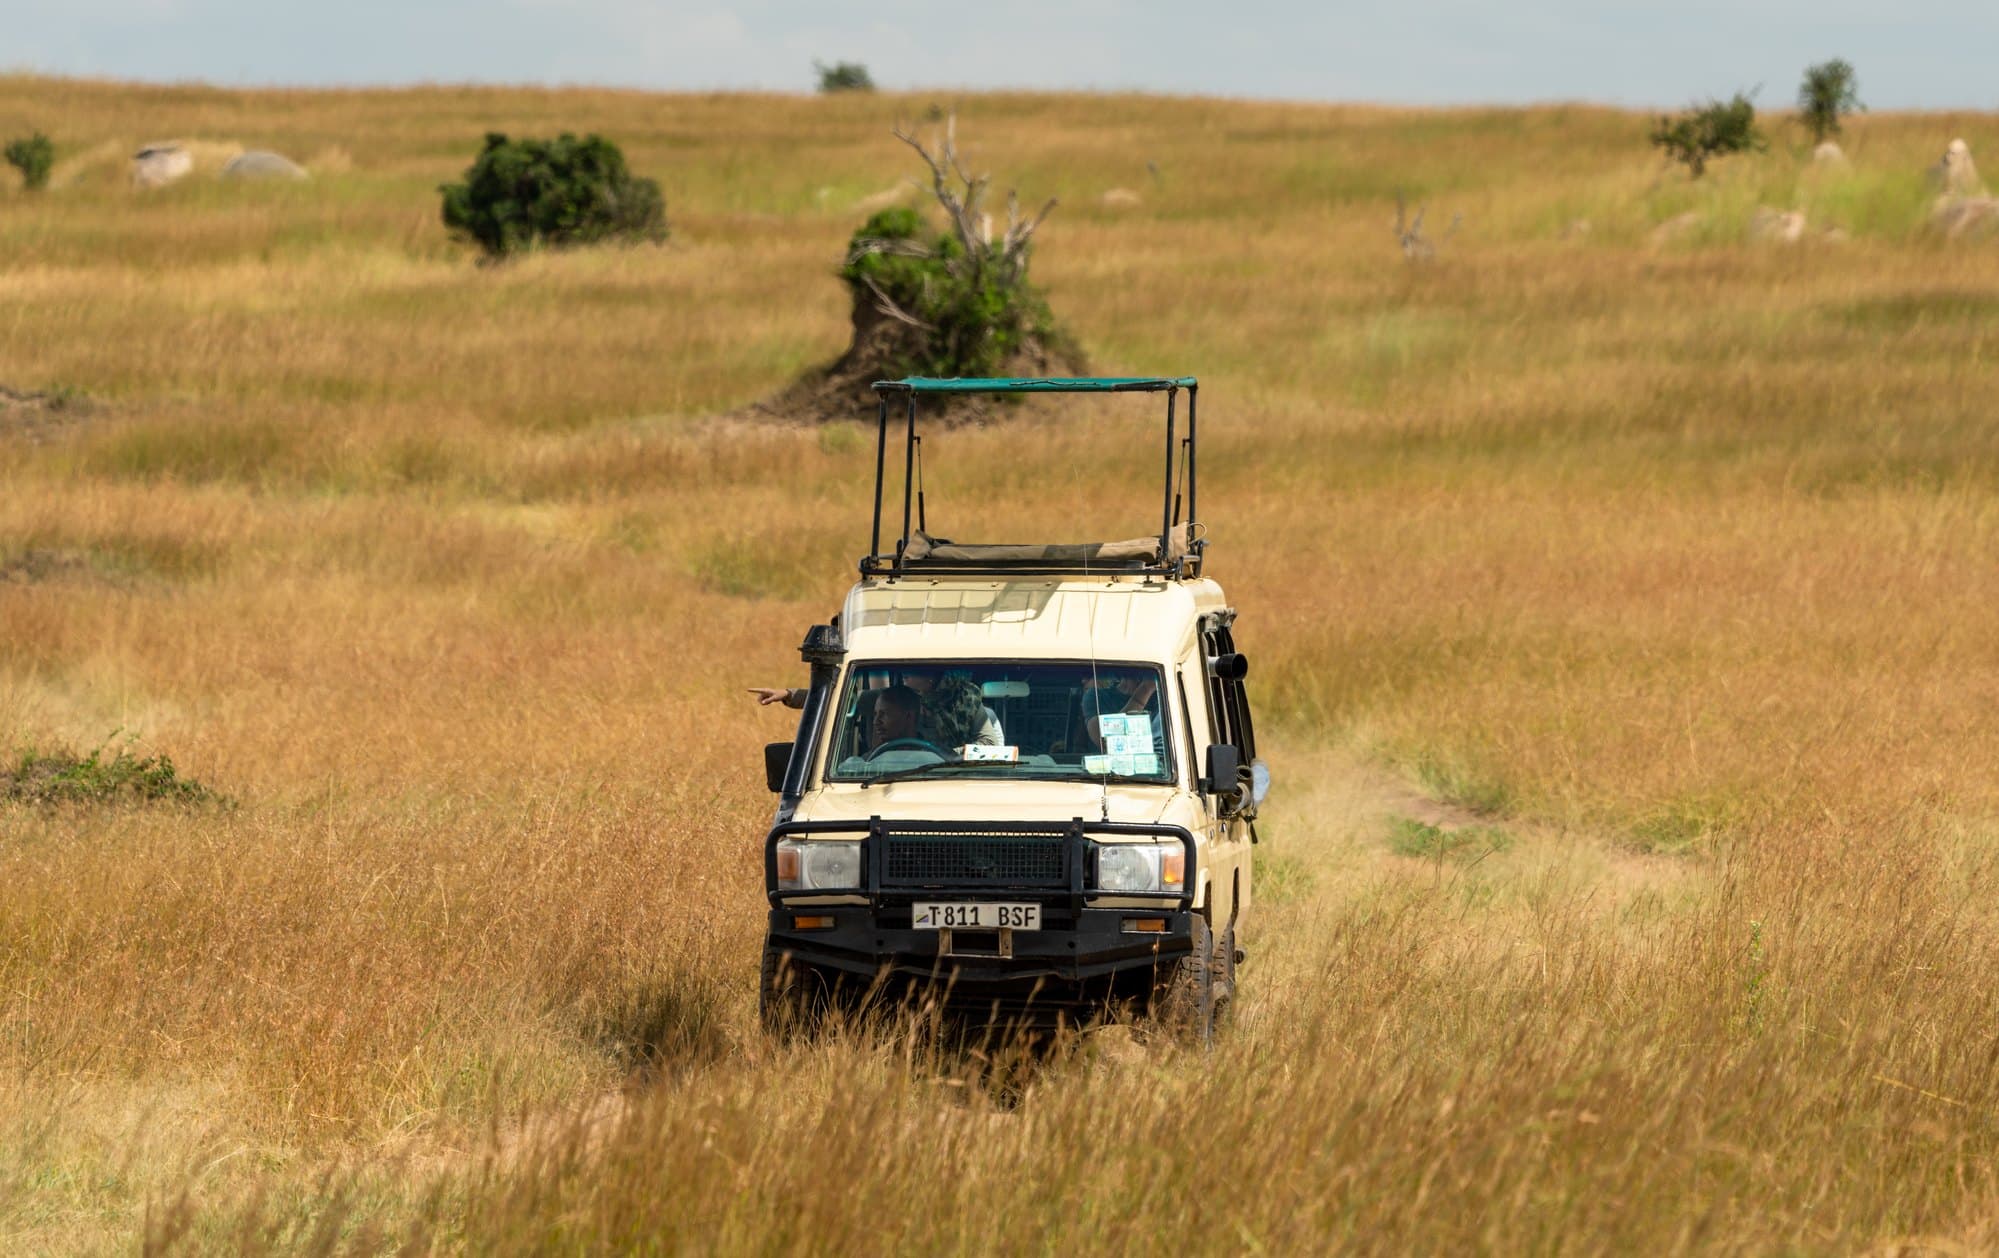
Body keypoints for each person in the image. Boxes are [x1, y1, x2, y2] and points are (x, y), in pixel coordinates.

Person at [866, 684, 924, 758]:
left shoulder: (933, 759)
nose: (876, 722)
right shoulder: (869, 761)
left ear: (909, 716)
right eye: (875, 714)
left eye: (884, 714)